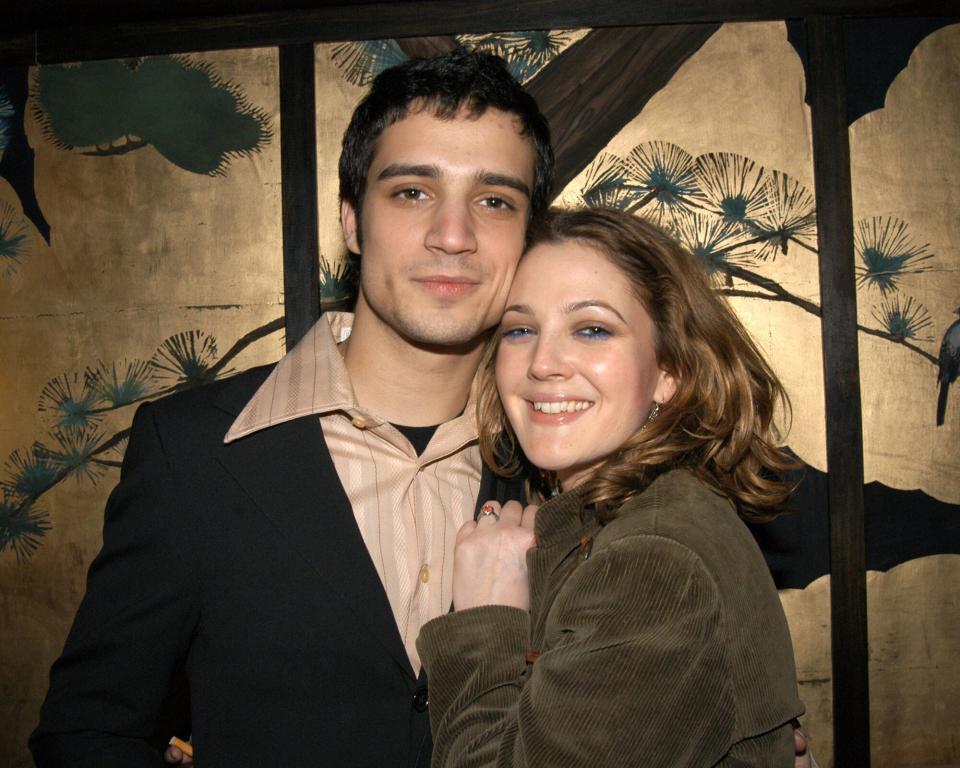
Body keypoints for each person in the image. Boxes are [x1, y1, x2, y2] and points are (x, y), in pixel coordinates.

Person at [30, 50, 812, 768]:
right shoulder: (194, 449)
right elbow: (92, 729)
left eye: (495, 201)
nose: (452, 235)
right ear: (351, 220)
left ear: (527, 232)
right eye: (411, 191)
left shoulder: (573, 470)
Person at [417, 207, 806, 766]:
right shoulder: (620, 517)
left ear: (669, 369)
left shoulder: (652, 559)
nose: (543, 363)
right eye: (520, 330)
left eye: (592, 329)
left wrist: (486, 619)